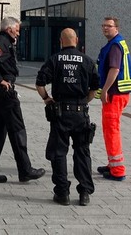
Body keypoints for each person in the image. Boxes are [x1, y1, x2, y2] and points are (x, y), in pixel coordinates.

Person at [36, 28, 99, 206]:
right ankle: (85, 192)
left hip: (60, 113)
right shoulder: (87, 61)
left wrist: (47, 99)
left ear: (60, 41)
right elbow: (94, 89)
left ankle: (62, 193)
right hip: (80, 114)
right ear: (77, 40)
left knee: (59, 153)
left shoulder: (54, 60)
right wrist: (83, 102)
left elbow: (40, 83)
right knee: (82, 152)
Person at [0, 16, 45, 183]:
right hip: (5, 93)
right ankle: (25, 170)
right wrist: (0, 80)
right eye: (17, 29)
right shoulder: (2, 42)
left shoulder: (5, 42)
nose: (18, 32)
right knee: (17, 130)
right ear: (9, 29)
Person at [97, 16, 131, 181]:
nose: (105, 28)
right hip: (119, 93)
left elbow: (114, 69)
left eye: (109, 26)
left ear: (116, 28)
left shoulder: (114, 47)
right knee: (109, 130)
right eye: (104, 25)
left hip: (114, 94)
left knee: (111, 131)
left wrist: (104, 90)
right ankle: (112, 164)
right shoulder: (117, 43)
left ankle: (118, 170)